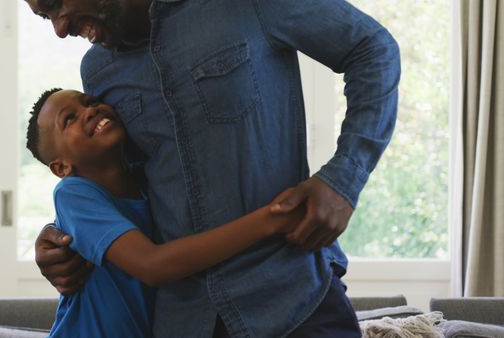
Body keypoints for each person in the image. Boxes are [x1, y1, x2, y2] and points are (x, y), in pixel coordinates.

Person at [24, 0, 400, 337]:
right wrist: (63, 239)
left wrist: (342, 180)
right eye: (46, 16)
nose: (58, 29)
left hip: (294, 302)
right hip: (181, 319)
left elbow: (371, 49)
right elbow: (128, 183)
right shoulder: (98, 71)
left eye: (55, 5)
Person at [27, 87, 303, 337]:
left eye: (89, 101)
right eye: (69, 119)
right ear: (61, 168)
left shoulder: (153, 183)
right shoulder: (72, 194)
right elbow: (152, 265)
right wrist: (271, 219)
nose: (90, 110)